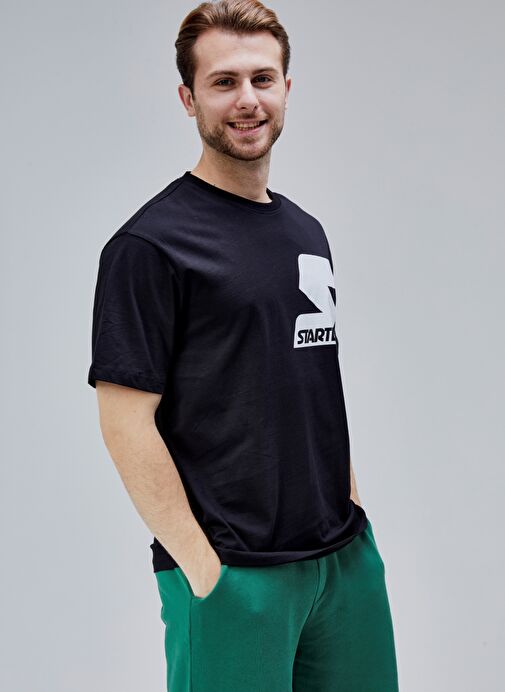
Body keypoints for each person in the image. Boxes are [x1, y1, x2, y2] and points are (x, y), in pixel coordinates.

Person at [87, 0, 399, 689]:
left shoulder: (305, 232)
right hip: (235, 576)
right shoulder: (150, 246)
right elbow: (124, 422)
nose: (247, 99)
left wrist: (351, 509)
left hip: (342, 562)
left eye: (262, 78)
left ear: (287, 88)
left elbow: (308, 383)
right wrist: (204, 570)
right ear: (188, 99)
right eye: (223, 82)